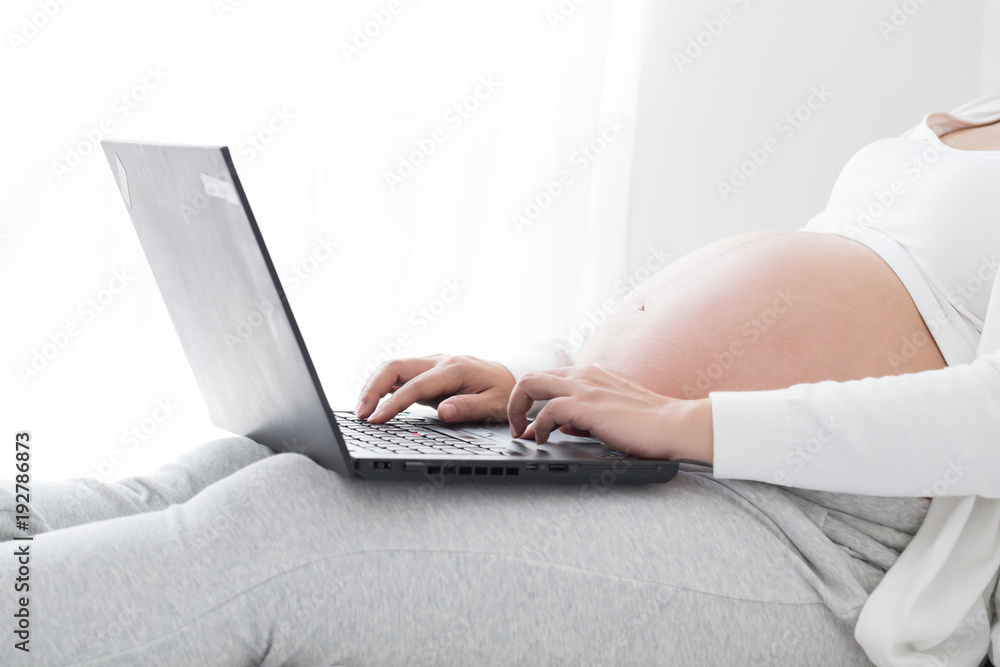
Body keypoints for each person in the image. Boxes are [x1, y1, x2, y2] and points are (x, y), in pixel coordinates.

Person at [4, 93, 999, 666]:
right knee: (224, 469)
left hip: (816, 538)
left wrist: (688, 417)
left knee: (286, 529)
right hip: (649, 454)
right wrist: (535, 374)